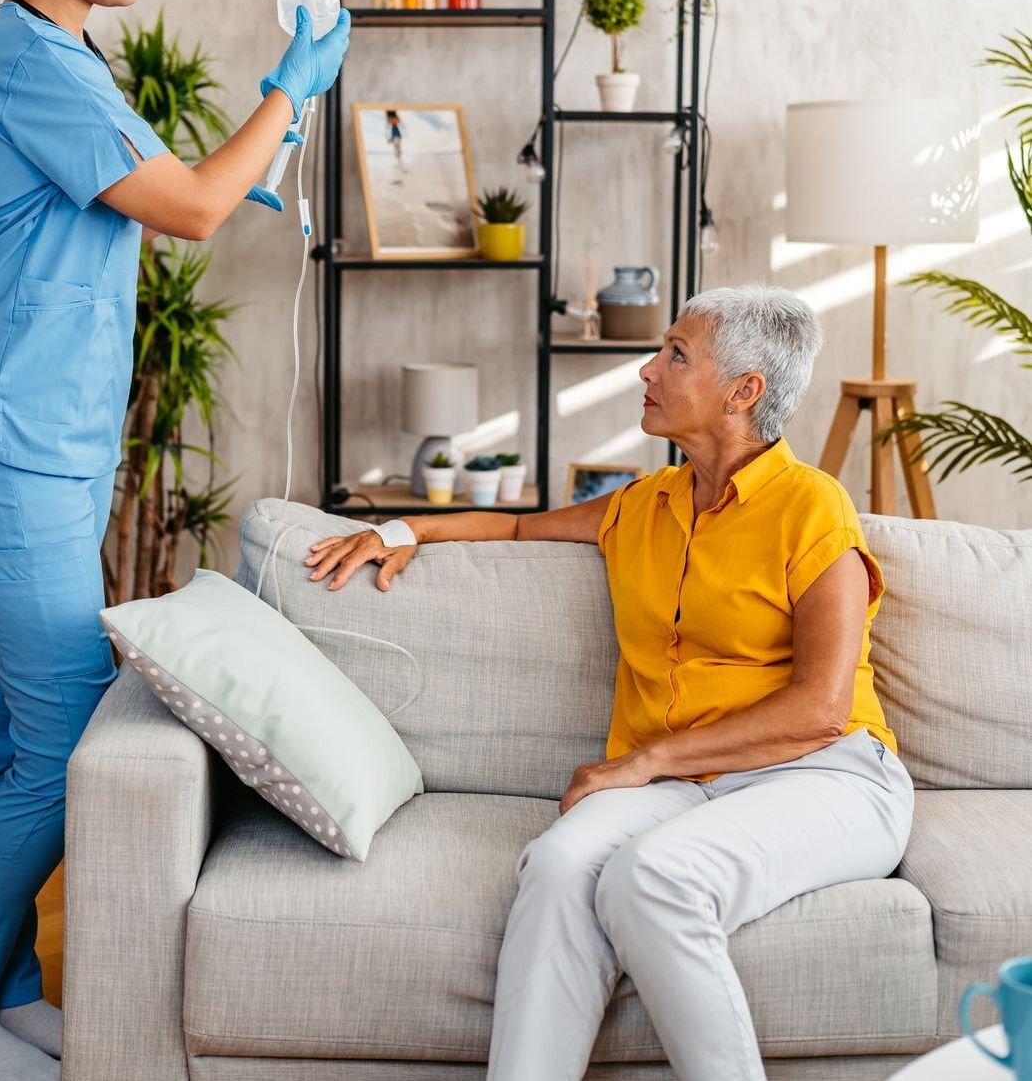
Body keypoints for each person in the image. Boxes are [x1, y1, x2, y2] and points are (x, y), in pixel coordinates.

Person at [0, 0, 350, 1081]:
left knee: (0, 722)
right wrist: (288, 88)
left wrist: (245, 157)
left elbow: (161, 191)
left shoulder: (60, 52)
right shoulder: (26, 61)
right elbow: (194, 210)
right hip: (17, 432)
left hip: (42, 425)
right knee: (62, 739)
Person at [305, 284, 915, 1081]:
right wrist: (403, 527)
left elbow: (821, 710)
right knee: (558, 863)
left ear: (744, 391)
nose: (647, 370)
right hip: (687, 784)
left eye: (676, 355)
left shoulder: (812, 507)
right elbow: (517, 525)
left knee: (649, 876)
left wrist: (644, 762)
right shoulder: (645, 504)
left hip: (825, 776)